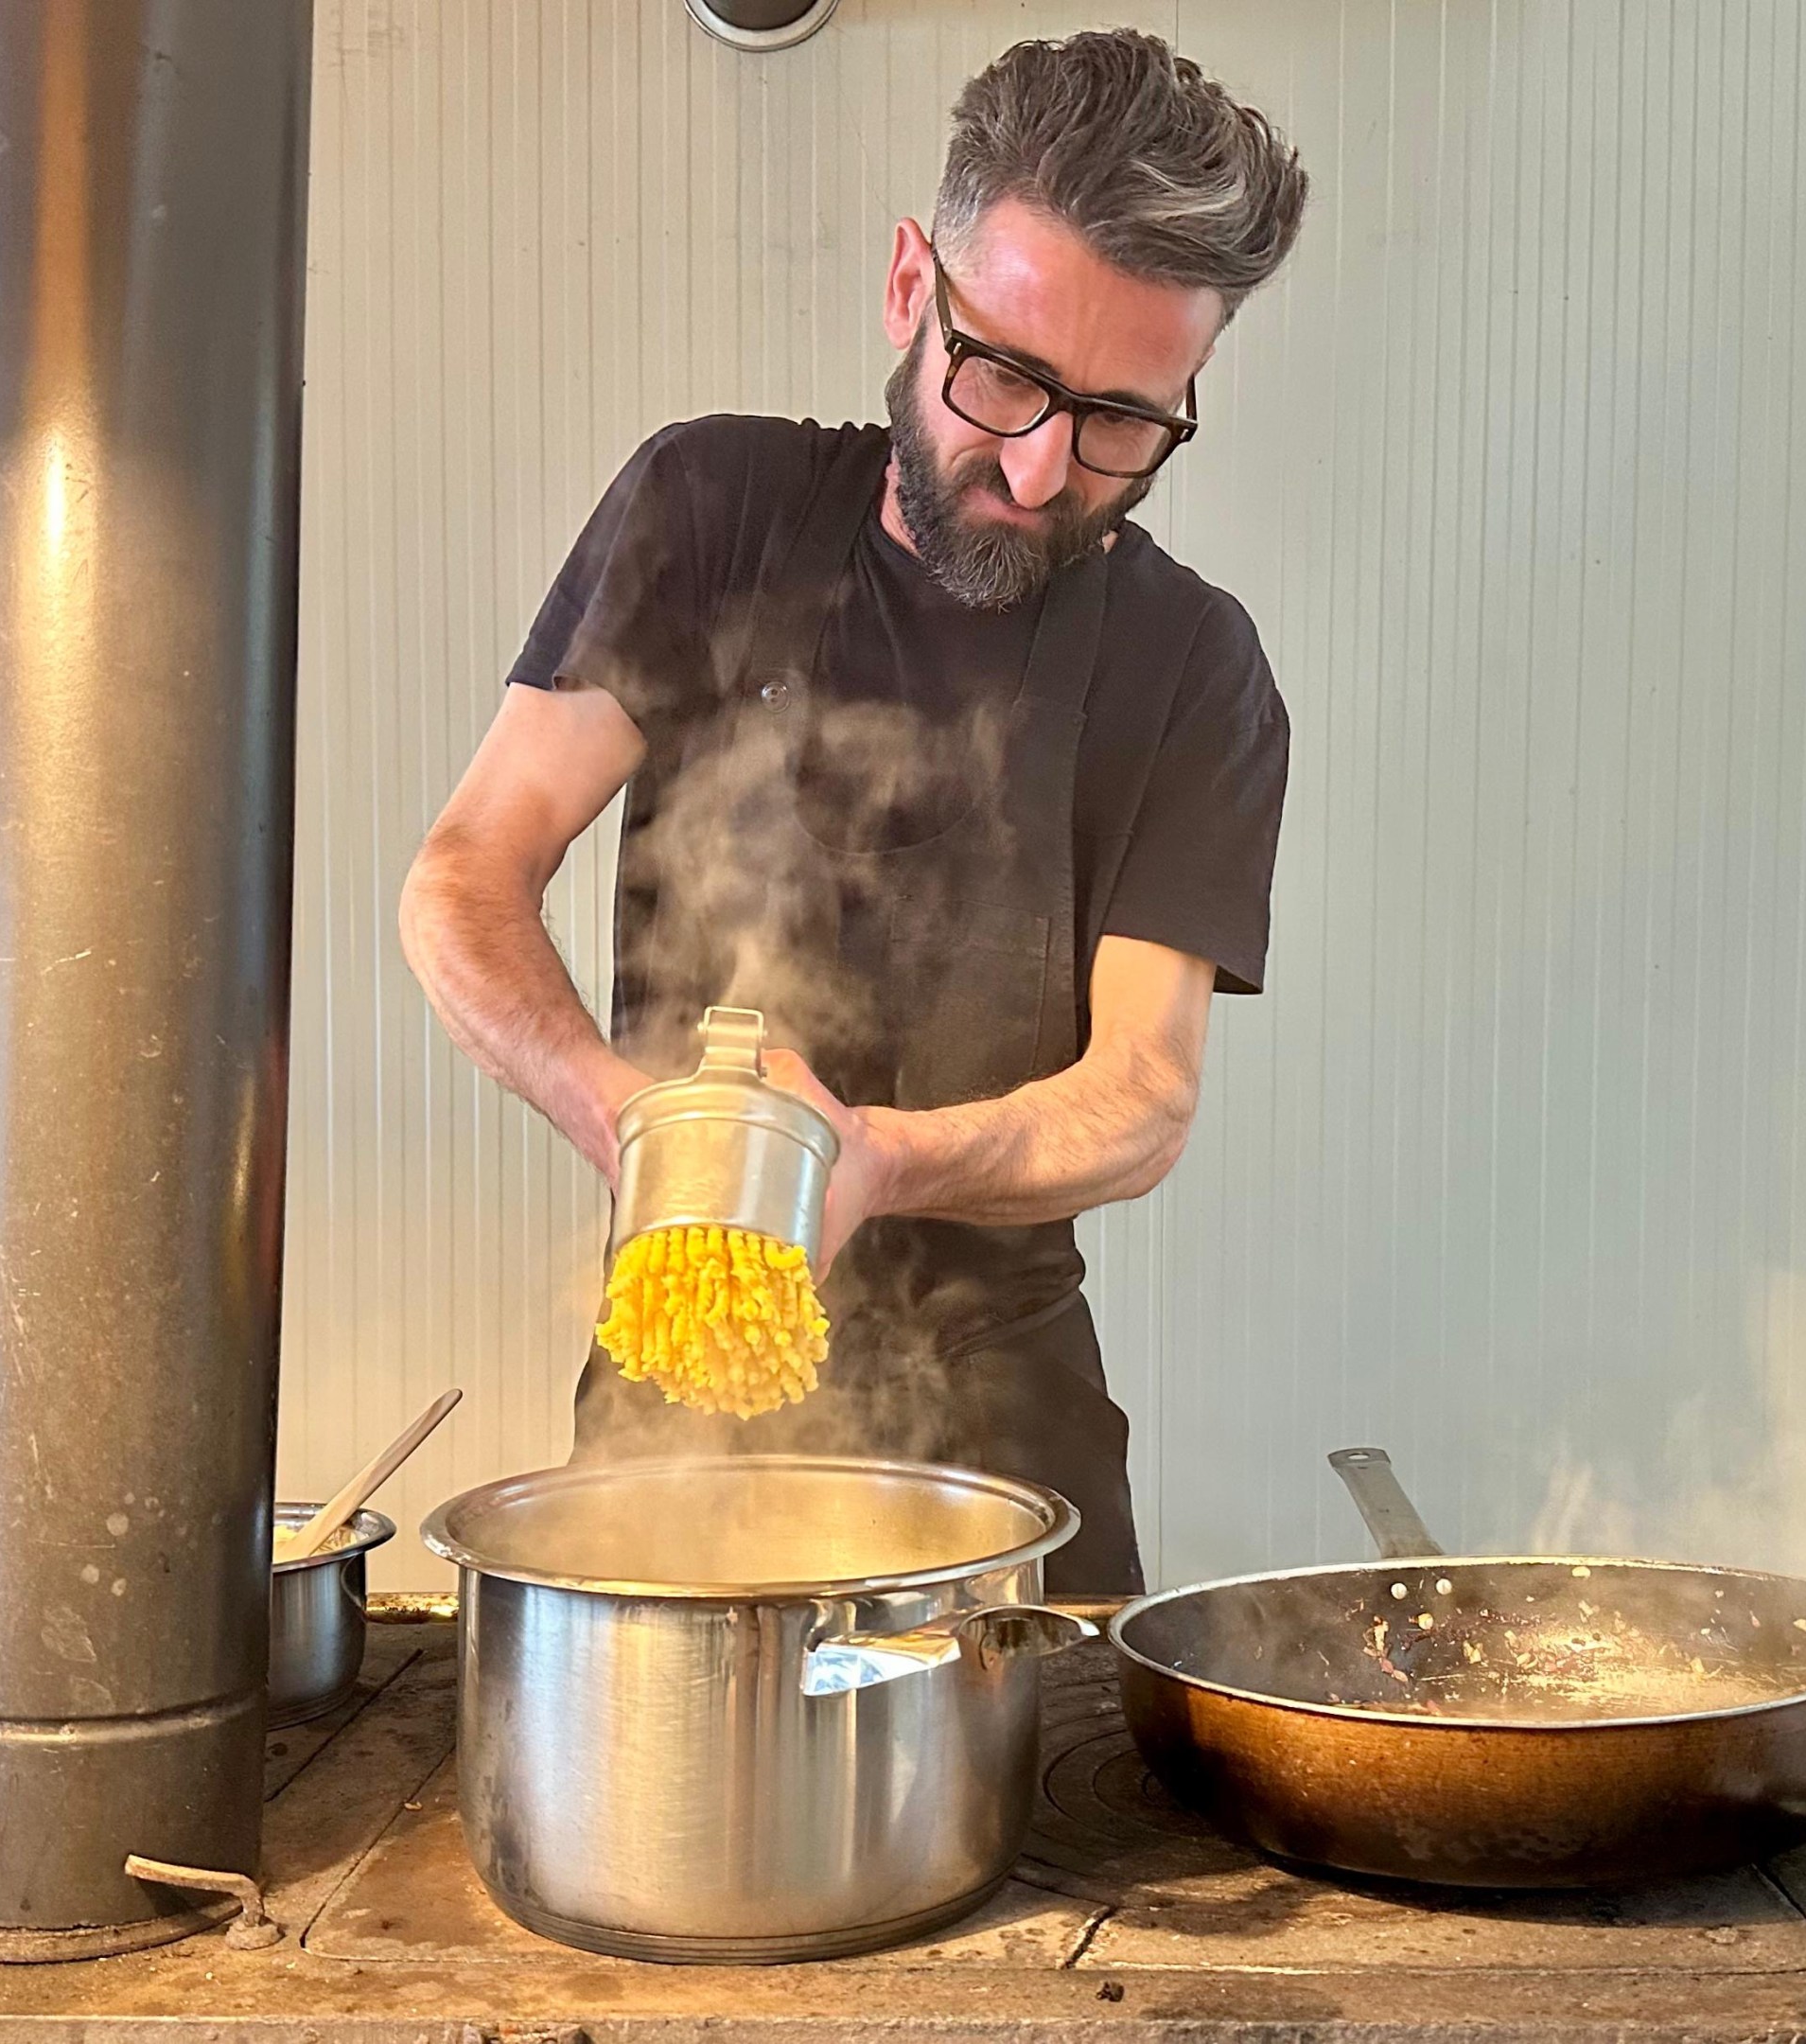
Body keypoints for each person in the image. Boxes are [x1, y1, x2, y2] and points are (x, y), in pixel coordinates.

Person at [400, 28, 1306, 1595]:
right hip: (682, 1372)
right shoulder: (712, 511)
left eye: (1120, 423)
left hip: (1012, 1422)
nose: (1040, 470)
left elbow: (1143, 1093)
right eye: (1003, 376)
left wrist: (874, 1160)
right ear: (909, 288)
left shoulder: (1192, 666)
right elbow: (466, 878)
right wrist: (636, 1125)